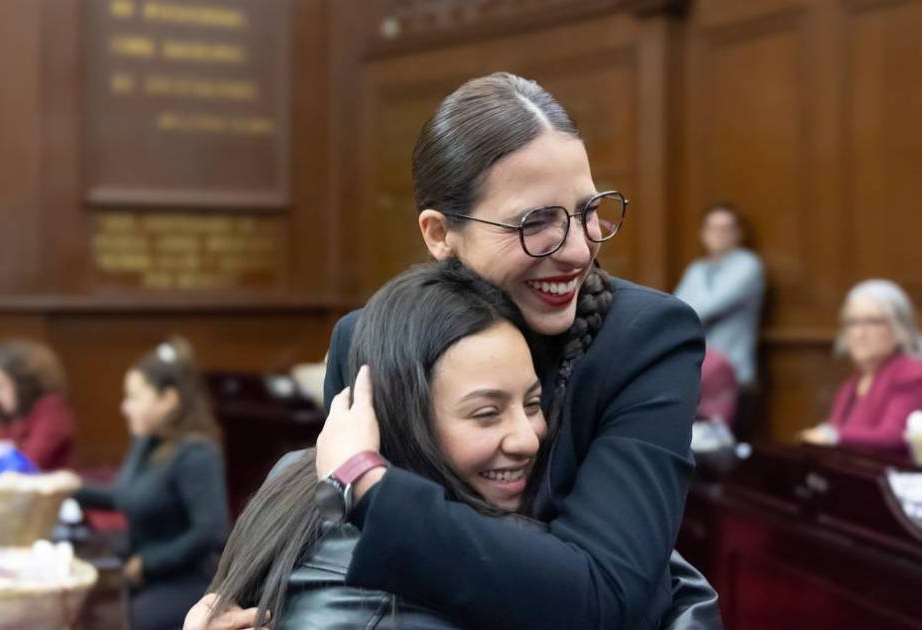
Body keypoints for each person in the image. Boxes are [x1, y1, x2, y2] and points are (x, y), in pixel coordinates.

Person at [191, 72, 720, 630]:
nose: (576, 249)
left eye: (588, 210)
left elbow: (607, 593)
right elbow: (347, 567)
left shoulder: (642, 338)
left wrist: (368, 485)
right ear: (440, 233)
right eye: (535, 222)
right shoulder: (365, 341)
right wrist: (236, 592)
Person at [201, 262, 546, 628]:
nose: (527, 439)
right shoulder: (431, 590)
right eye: (487, 413)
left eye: (533, 404)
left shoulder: (294, 474)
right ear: (402, 417)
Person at [76, 337, 229, 630]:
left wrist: (147, 564)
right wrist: (73, 488)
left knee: (118, 617)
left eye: (133, 397)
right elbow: (126, 495)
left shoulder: (197, 453)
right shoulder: (147, 442)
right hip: (147, 575)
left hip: (186, 581)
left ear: (168, 399)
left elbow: (211, 531)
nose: (124, 407)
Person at [800, 280, 922, 452]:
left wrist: (832, 436)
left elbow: (894, 435)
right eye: (852, 322)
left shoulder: (912, 374)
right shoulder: (851, 384)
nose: (859, 333)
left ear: (899, 327)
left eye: (872, 322)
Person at [674, 204, 765, 387]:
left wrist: (686, 309)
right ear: (702, 233)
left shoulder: (748, 265)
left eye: (725, 228)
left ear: (738, 233)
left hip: (733, 373)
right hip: (697, 371)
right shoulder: (697, 268)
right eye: (712, 228)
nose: (718, 234)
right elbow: (676, 311)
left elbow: (704, 309)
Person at [0, 339, 75, 471]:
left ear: (22, 382)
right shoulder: (8, 417)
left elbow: (30, 462)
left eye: (0, 386)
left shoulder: (51, 409)